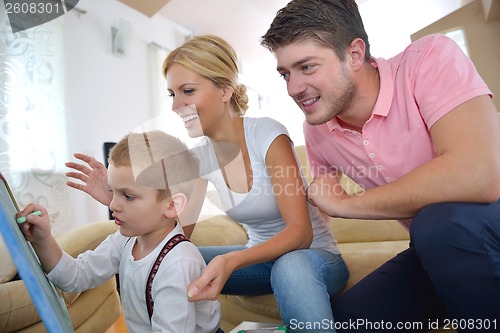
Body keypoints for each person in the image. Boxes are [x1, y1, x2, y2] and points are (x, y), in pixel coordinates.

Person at [65, 35, 350, 328]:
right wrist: (117, 198)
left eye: (187, 91)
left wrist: (232, 261)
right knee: (174, 259)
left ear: (225, 90)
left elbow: (300, 233)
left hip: (312, 259)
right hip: (259, 264)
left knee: (290, 267)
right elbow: (172, 234)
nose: (177, 105)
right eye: (172, 94)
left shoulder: (266, 135)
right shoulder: (199, 158)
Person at [261, 0, 500, 331]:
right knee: (347, 323)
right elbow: (323, 196)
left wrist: (348, 203)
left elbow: (479, 174)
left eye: (307, 67)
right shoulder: (317, 129)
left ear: (355, 55)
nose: (293, 88)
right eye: (285, 73)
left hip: (484, 225)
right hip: (435, 248)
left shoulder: (430, 58)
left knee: (437, 223)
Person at [19, 131, 221, 333]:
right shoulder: (125, 240)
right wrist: (42, 239)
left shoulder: (178, 264)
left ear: (171, 205)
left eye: (127, 196)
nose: (113, 204)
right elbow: (75, 276)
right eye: (112, 191)